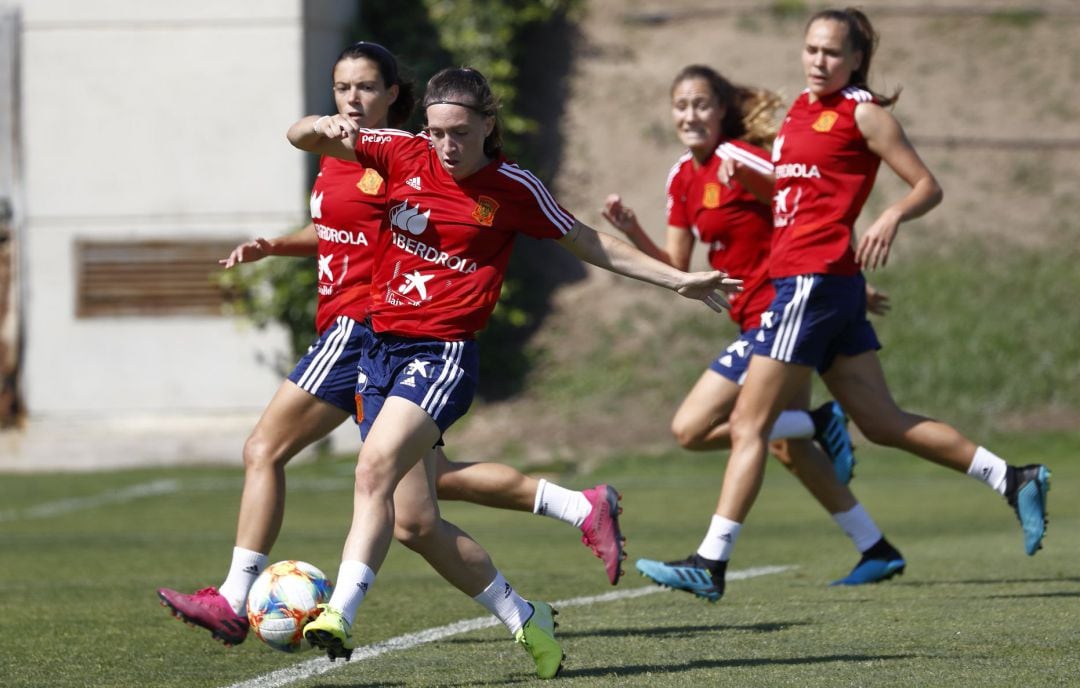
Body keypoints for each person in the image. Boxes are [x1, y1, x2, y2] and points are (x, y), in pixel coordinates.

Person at [156, 42, 624, 661]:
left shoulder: (402, 156)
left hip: (367, 328)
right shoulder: (346, 155)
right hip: (375, 334)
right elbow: (340, 229)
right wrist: (276, 244)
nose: (352, 99)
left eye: (367, 88)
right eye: (342, 87)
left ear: (394, 95)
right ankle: (545, 570)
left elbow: (431, 224)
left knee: (274, 451)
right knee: (416, 517)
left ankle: (241, 598)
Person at [284, 66, 741, 676]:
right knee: (416, 524)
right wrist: (322, 124)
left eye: (460, 133)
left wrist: (678, 279)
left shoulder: (512, 186)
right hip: (380, 349)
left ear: (487, 126)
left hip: (440, 355)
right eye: (437, 132)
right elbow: (299, 137)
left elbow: (587, 241)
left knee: (372, 469)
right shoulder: (399, 150)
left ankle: (339, 612)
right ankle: (526, 618)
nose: (447, 146)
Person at [679, 7, 1050, 602]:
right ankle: (1013, 477)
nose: (818, 61)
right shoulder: (799, 111)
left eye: (831, 52)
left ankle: (710, 560)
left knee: (750, 423)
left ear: (855, 59)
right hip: (829, 282)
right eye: (811, 49)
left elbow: (928, 185)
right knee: (881, 423)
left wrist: (890, 215)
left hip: (809, 282)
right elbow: (800, 199)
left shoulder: (864, 113)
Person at [600, 64, 904, 601]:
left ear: (723, 111)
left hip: (781, 311)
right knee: (781, 444)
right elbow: (677, 264)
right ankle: (874, 545)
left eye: (701, 104)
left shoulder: (739, 160)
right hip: (757, 319)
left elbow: (813, 211)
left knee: (693, 428)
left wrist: (844, 282)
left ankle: (811, 425)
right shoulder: (680, 177)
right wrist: (633, 231)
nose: (689, 115)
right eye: (681, 105)